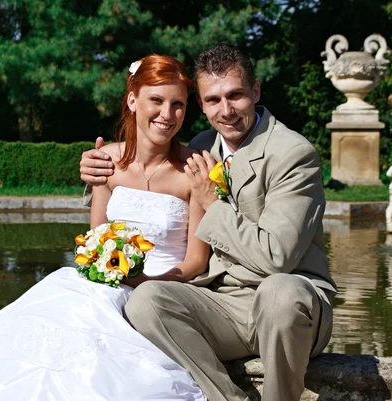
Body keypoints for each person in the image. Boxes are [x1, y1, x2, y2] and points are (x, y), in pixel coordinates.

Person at [0, 54, 209, 401]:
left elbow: (196, 262)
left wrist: (150, 283)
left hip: (160, 291)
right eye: (156, 101)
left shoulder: (195, 169)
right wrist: (105, 269)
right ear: (132, 100)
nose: (167, 115)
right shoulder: (105, 161)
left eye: (178, 105)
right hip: (102, 284)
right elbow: (95, 239)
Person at [80, 43, 337, 401]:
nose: (226, 110)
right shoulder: (201, 147)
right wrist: (94, 169)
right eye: (213, 100)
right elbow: (137, 166)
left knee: (279, 290)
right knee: (147, 300)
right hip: (219, 304)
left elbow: (278, 258)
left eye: (236, 96)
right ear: (201, 105)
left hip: (287, 309)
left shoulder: (294, 154)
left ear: (256, 92)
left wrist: (209, 203)